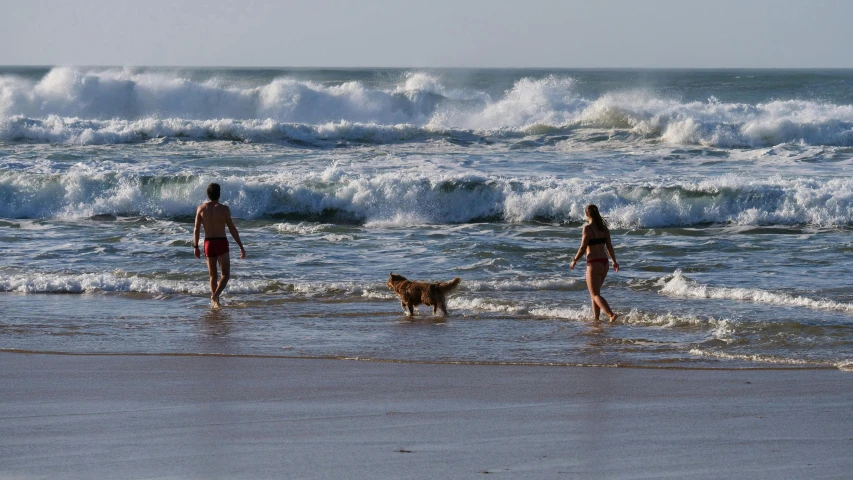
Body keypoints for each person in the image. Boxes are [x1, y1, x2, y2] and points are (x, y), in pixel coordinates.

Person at [193, 183, 246, 308]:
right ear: (219, 194)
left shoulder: (201, 208)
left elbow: (196, 229)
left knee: (213, 275)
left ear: (208, 194)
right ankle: (216, 295)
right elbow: (232, 229)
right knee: (225, 275)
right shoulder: (224, 209)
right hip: (221, 242)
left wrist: (195, 246)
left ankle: (215, 301)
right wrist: (241, 246)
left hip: (208, 243)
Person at [570, 204, 619, 322]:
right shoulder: (604, 228)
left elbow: (583, 248)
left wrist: (574, 260)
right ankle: (596, 318)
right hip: (604, 263)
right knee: (595, 293)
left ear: (587, 214)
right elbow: (609, 247)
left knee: (595, 294)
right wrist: (614, 262)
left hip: (593, 263)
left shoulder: (587, 228)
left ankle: (611, 314)